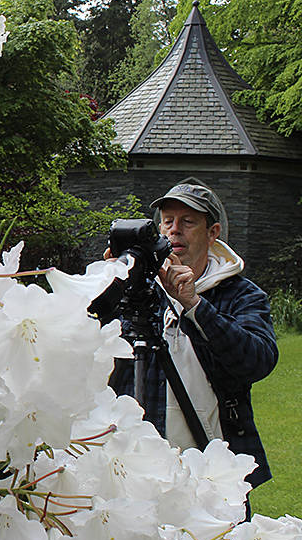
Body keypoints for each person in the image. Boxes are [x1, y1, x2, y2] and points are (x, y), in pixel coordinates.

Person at [107, 180, 278, 487]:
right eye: (168, 221)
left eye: (187, 222)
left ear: (213, 232)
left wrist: (195, 306)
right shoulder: (138, 292)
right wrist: (107, 286)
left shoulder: (240, 294)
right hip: (133, 463)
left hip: (211, 464)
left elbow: (257, 361)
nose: (175, 230)